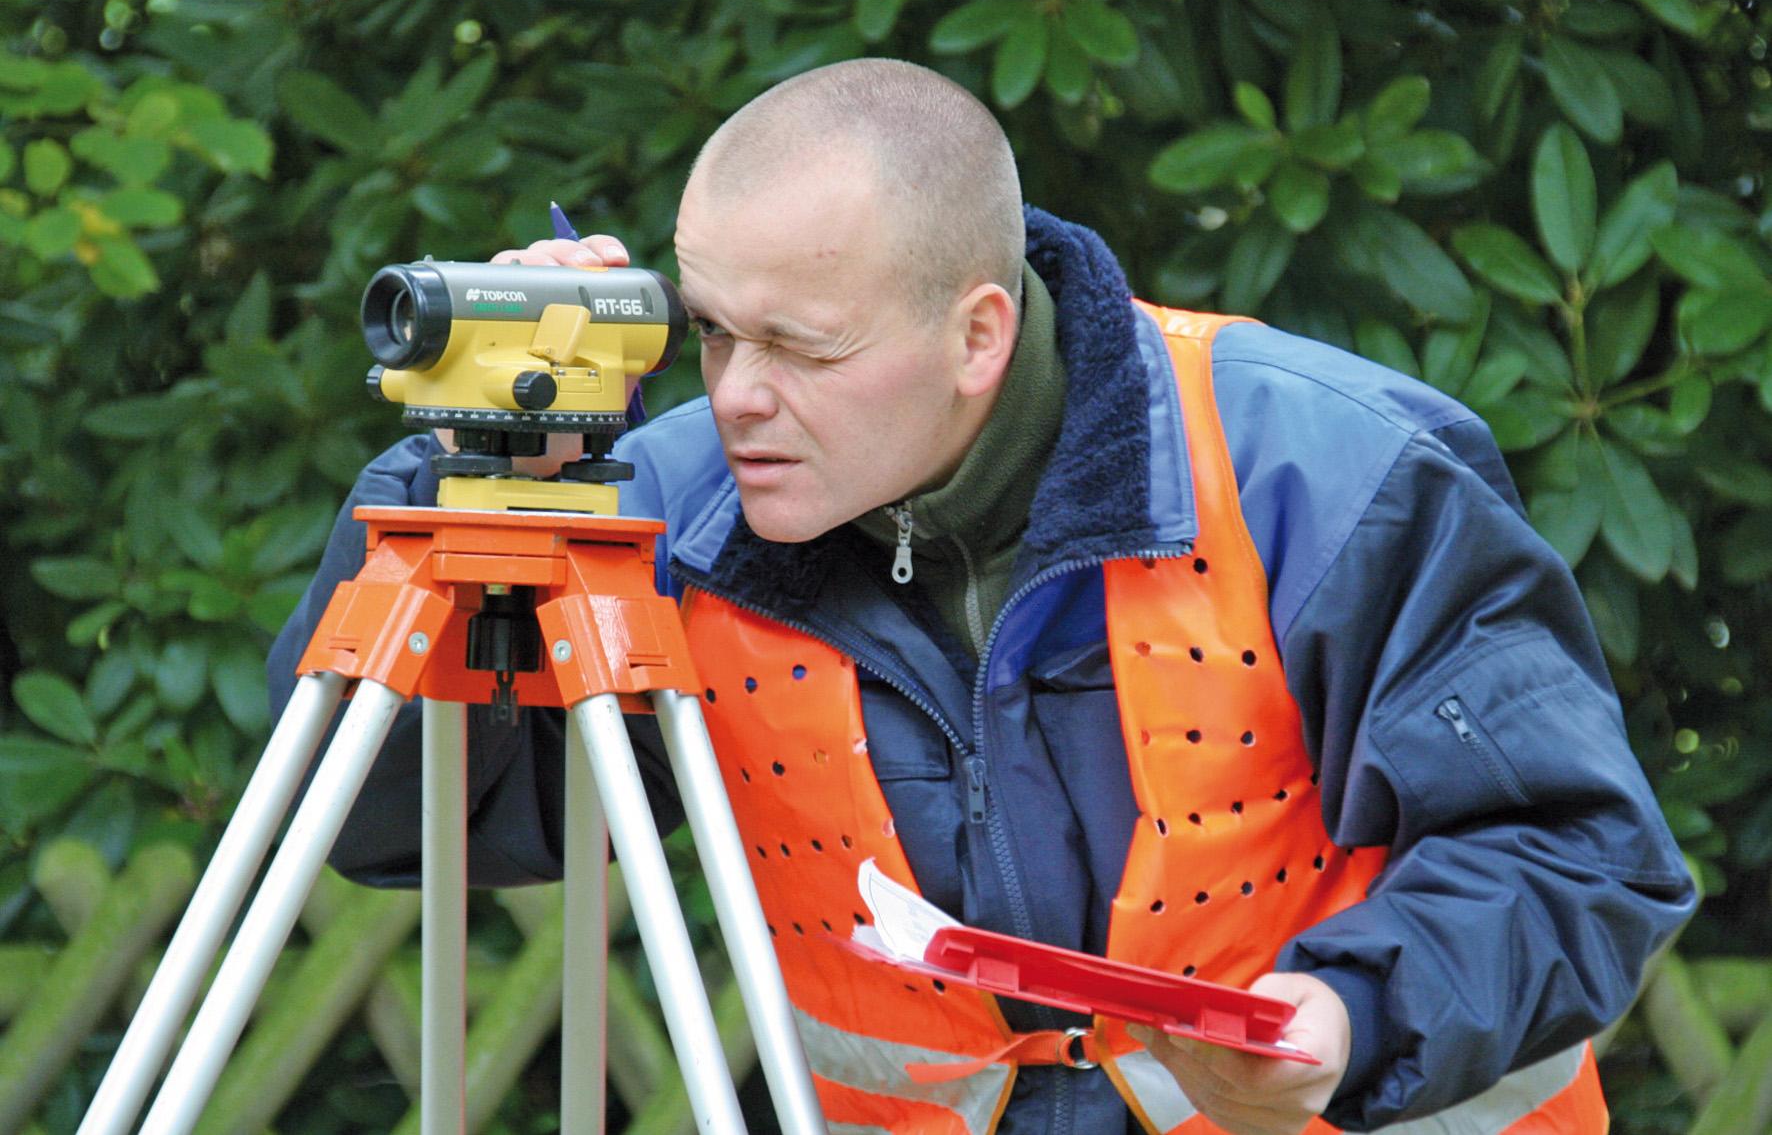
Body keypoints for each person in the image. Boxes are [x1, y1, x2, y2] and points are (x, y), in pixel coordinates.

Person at [269, 58, 1695, 1134]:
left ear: (979, 334)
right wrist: (482, 481)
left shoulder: (1329, 472)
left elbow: (1576, 849)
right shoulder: (667, 506)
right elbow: (400, 817)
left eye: (799, 346)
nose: (736, 396)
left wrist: (1355, 1010)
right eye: (709, 331)